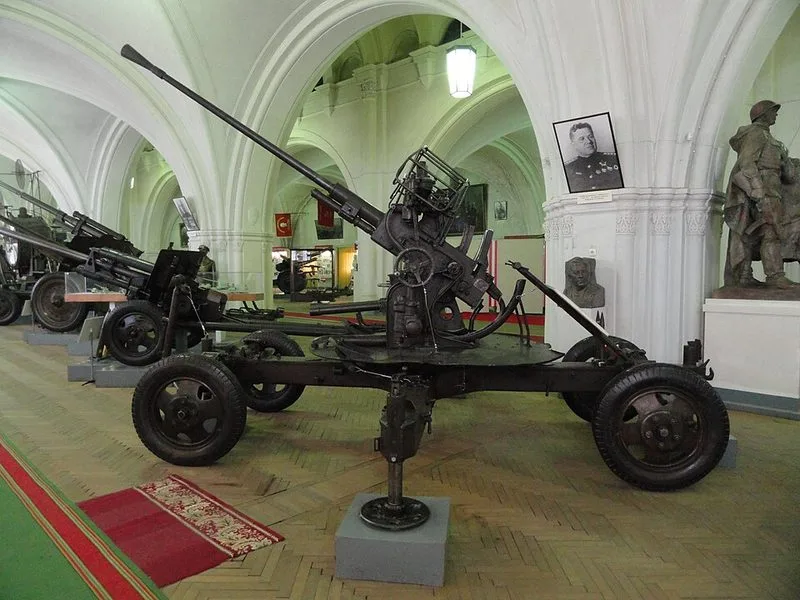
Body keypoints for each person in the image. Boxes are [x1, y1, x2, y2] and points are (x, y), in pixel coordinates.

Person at [723, 100, 797, 289]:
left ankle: (746, 276)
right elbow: (746, 164)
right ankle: (775, 276)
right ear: (763, 114)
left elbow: (788, 176)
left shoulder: (769, 138)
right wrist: (758, 192)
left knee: (764, 233)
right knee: (770, 232)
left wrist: (785, 158)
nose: (776, 115)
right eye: (774, 111)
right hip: (763, 192)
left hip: (773, 191)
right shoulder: (756, 133)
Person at [563, 122, 623, 193]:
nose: (589, 141)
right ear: (573, 145)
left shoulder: (613, 159)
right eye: (582, 139)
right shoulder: (568, 169)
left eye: (590, 136)